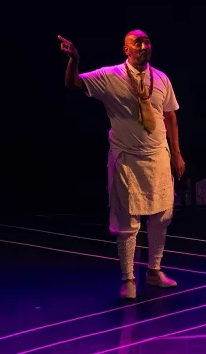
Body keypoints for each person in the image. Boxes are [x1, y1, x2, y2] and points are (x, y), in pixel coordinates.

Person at [59, 30, 186, 299]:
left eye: (147, 42)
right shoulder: (110, 76)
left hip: (158, 156)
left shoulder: (161, 78)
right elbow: (73, 83)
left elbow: (170, 116)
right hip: (127, 158)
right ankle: (128, 278)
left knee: (162, 216)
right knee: (128, 220)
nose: (144, 46)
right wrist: (74, 60)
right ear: (126, 50)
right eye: (137, 43)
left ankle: (154, 271)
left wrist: (176, 153)